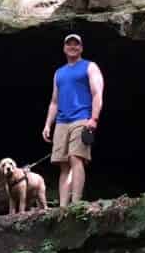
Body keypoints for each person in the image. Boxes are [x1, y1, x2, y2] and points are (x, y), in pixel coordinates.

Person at [42, 33, 104, 207]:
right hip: (62, 121)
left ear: (81, 48)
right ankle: (62, 207)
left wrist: (94, 118)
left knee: (76, 158)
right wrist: (48, 124)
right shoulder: (59, 73)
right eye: (69, 44)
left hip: (82, 118)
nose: (72, 47)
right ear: (64, 48)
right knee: (63, 165)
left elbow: (97, 93)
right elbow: (54, 101)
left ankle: (75, 203)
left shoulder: (90, 66)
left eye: (76, 44)